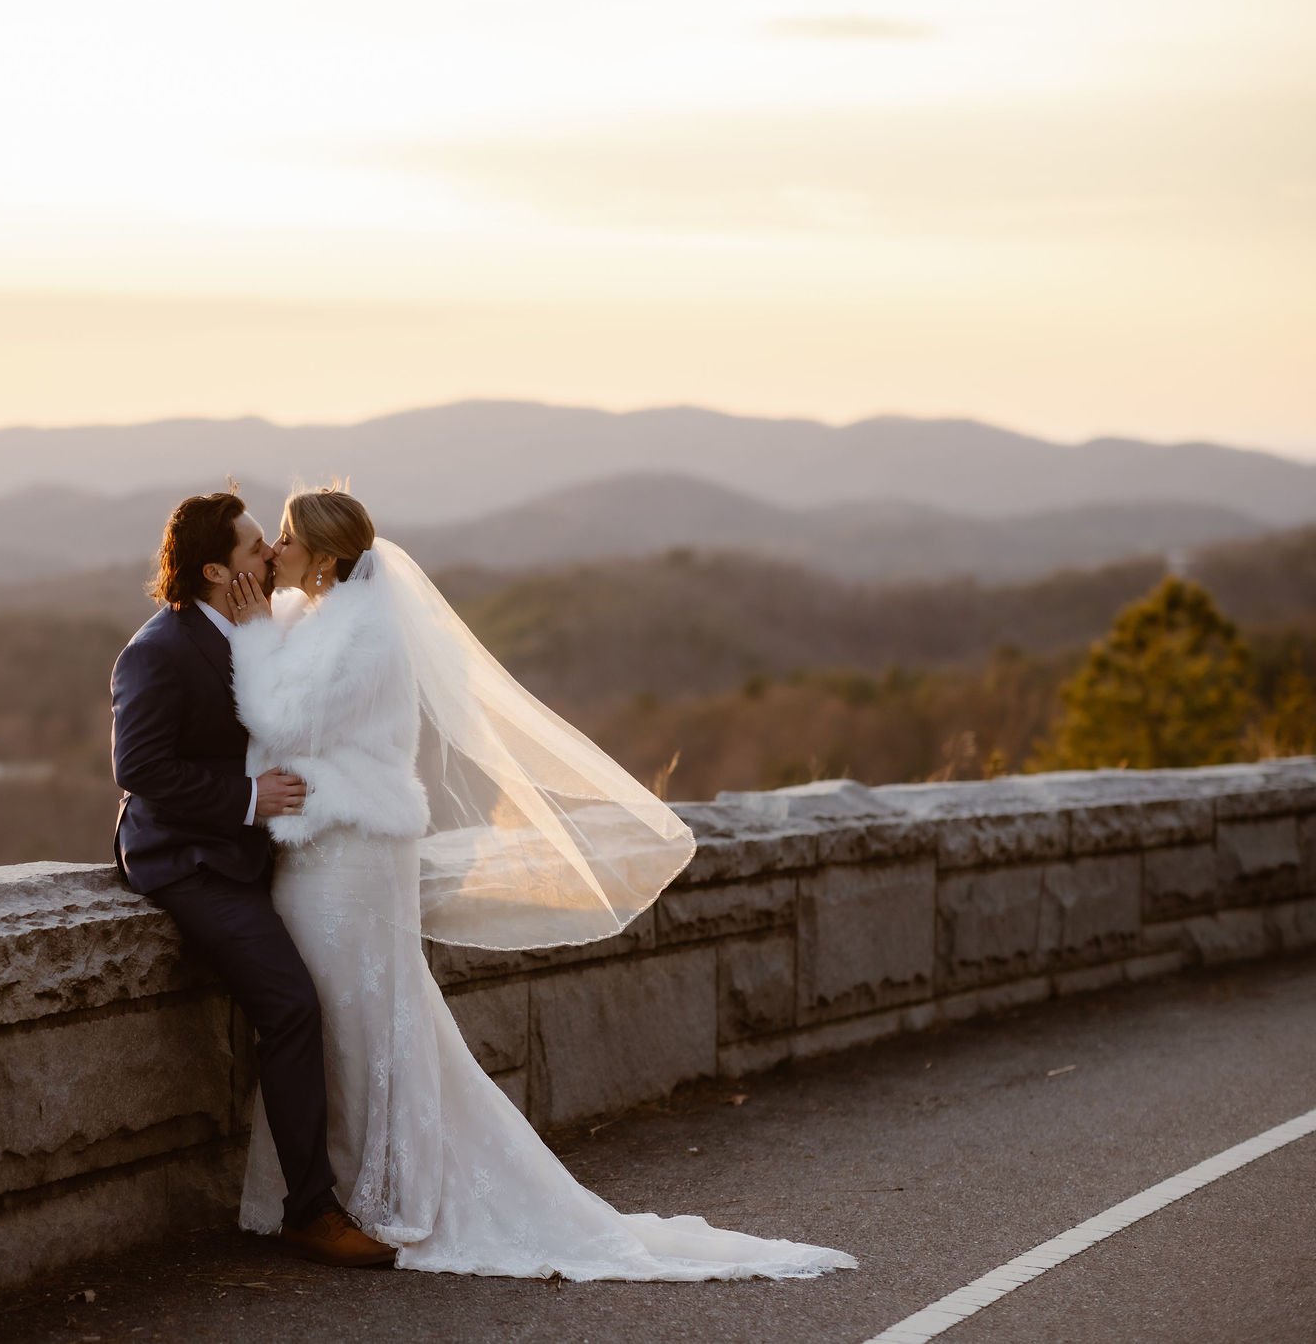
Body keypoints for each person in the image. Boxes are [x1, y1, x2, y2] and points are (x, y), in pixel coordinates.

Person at [220, 485, 859, 1282]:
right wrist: (269, 630)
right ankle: (335, 1190)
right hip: (321, 854)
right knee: (341, 1023)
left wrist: (248, 636)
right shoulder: (317, 620)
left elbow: (287, 727)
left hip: (348, 861)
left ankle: (377, 1194)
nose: (273, 551)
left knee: (360, 1022)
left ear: (321, 553)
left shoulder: (366, 633)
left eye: (284, 539)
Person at [109, 488, 396, 1268]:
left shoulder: (249, 628)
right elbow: (138, 769)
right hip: (189, 862)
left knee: (310, 1006)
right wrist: (245, 800)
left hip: (252, 858)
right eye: (253, 548)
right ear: (213, 570)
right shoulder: (157, 651)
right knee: (293, 1006)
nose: (270, 555)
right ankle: (310, 1210)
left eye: (272, 543)